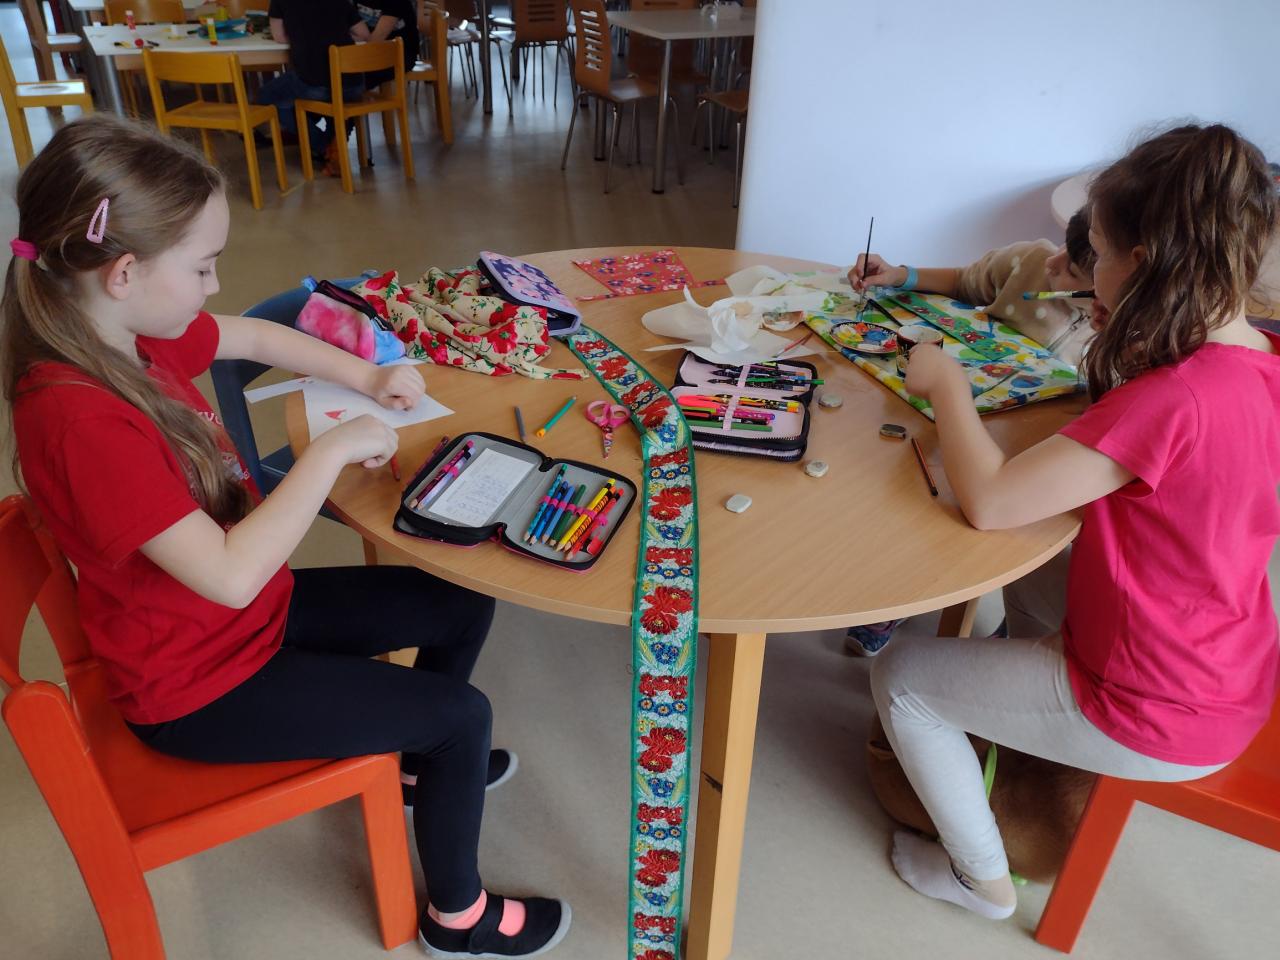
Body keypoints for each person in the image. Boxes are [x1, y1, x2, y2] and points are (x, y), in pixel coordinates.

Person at [3, 115, 570, 959]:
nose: (214, 284)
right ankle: (459, 919)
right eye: (203, 266)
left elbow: (254, 335)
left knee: (458, 599)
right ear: (123, 272)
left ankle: (418, 766)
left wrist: (368, 374)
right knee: (463, 716)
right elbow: (230, 574)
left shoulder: (122, 334)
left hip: (232, 624)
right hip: (195, 687)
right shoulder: (80, 421)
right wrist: (329, 453)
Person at [868, 123, 1279, 921]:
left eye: (1102, 254)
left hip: (1154, 705)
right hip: (1229, 664)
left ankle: (979, 882)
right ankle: (1012, 711)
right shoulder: (1258, 358)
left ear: (1145, 263)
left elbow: (990, 503)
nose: (1090, 272)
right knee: (1032, 570)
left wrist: (947, 385)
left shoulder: (1170, 399)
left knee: (903, 679)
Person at [844, 210, 1098, 657]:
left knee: (983, 534)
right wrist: (900, 274)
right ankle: (902, 589)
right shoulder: (1030, 259)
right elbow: (966, 280)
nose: (1053, 263)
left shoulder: (1112, 331)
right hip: (954, 416)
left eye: (1072, 271)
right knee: (918, 500)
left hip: (1026, 452)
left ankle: (995, 615)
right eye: (1063, 248)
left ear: (1101, 297)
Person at [257, 0, 371, 173]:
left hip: (314, 84)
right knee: (337, 100)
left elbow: (279, 37)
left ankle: (323, 144)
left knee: (267, 96)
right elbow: (363, 34)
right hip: (352, 84)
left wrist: (302, 38)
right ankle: (335, 144)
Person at [357, 0, 420, 89]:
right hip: (374, 51)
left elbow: (377, 39)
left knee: (354, 74)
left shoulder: (396, 2)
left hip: (401, 54)